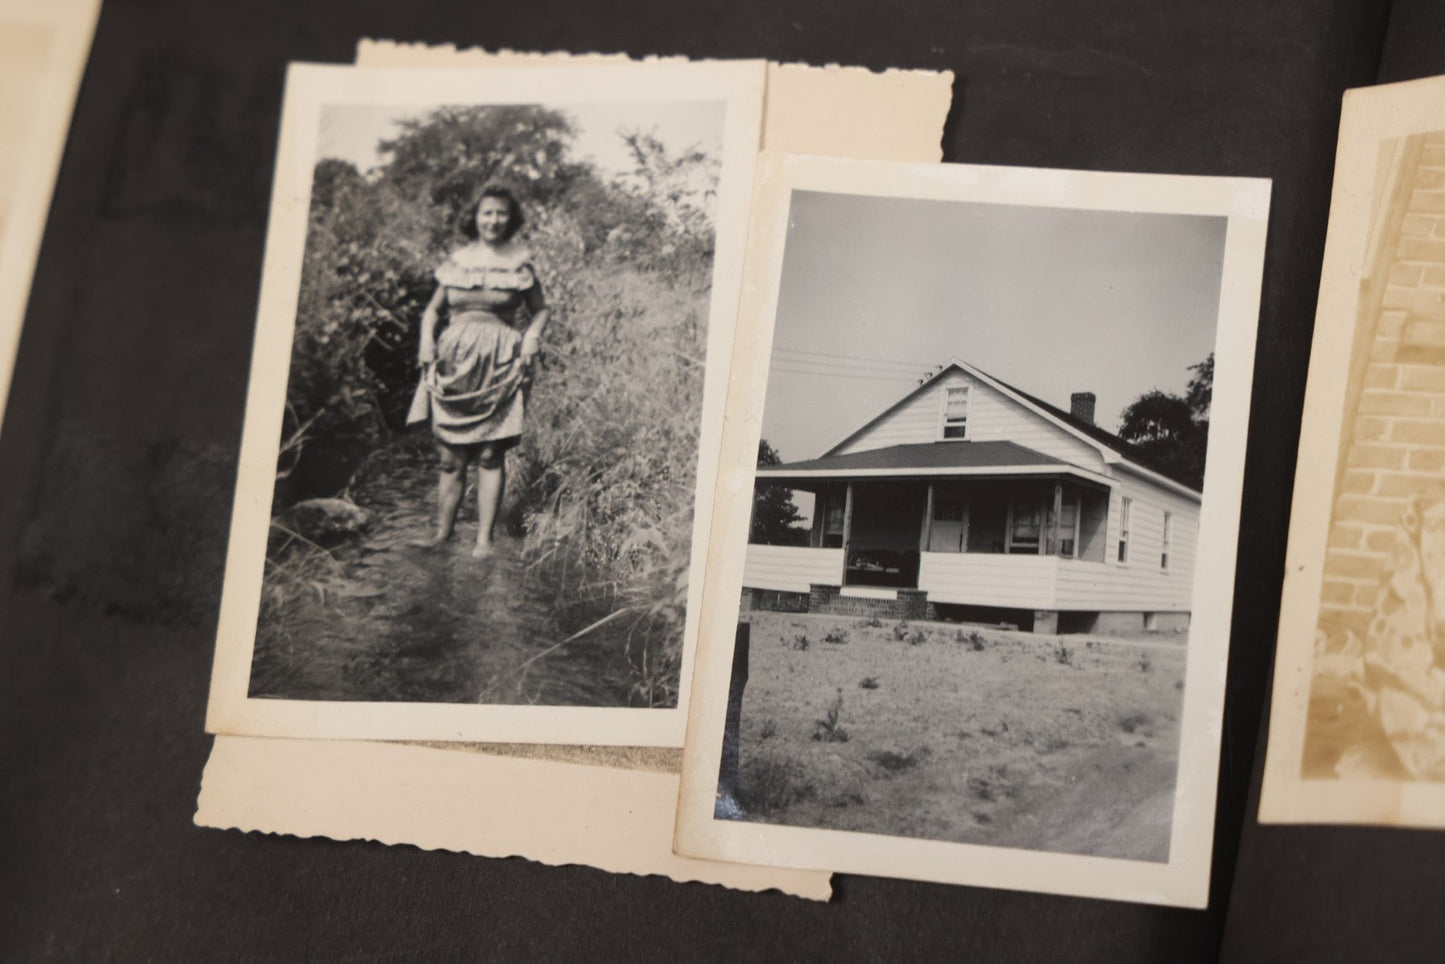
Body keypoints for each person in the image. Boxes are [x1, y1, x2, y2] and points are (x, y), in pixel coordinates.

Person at [411, 186, 549, 558]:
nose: (493, 220)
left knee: (490, 454)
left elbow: (540, 309)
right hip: (453, 360)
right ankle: (443, 534)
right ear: (475, 216)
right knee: (449, 456)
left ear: (511, 219)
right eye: (487, 212)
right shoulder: (457, 261)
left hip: (502, 360)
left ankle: (484, 541)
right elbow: (432, 311)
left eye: (501, 213)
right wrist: (426, 342)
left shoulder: (520, 263)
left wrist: (532, 335)